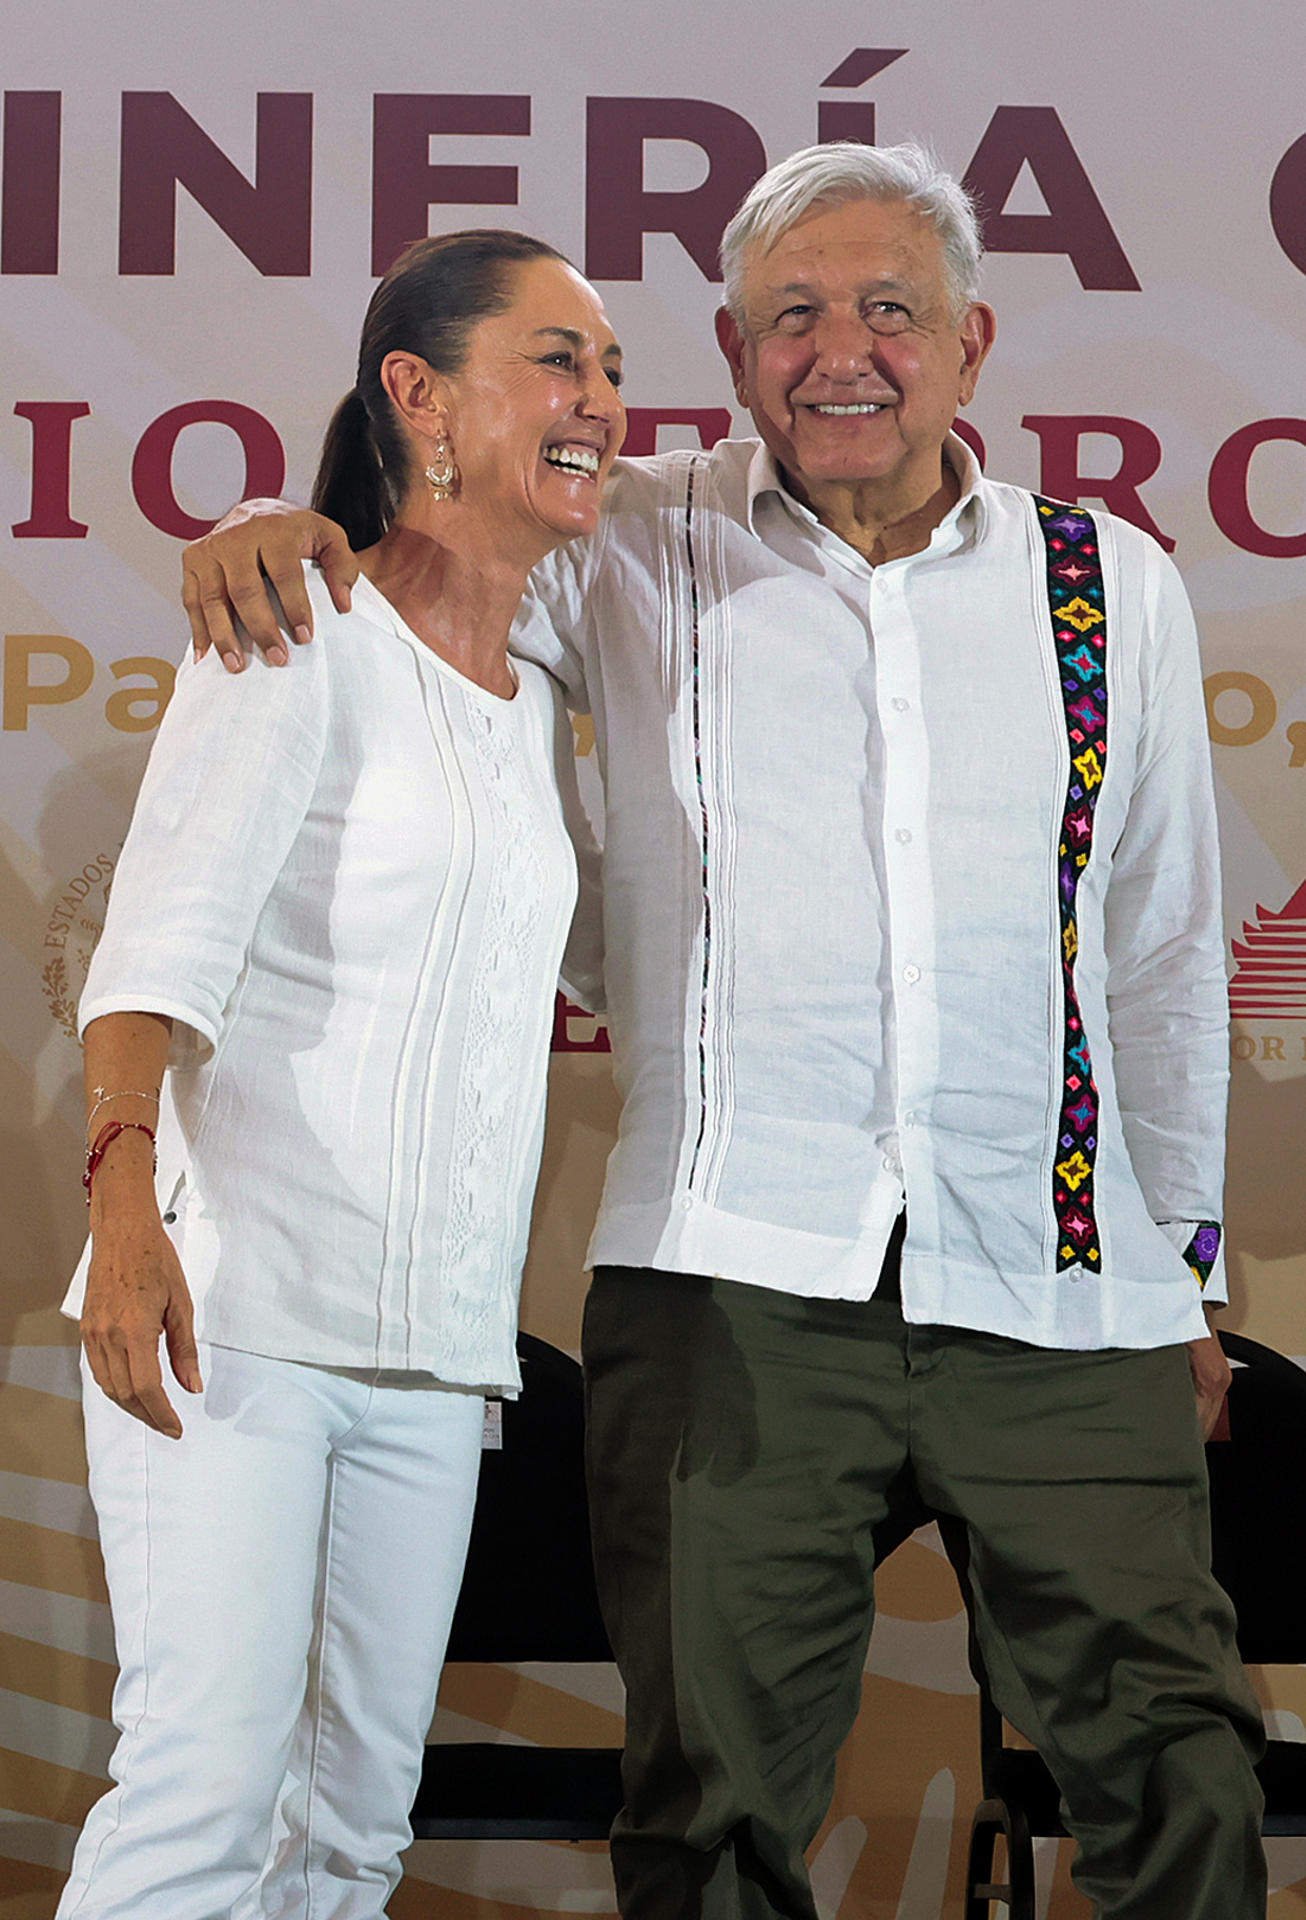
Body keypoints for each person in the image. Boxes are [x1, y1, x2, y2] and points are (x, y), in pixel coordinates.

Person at [181, 145, 1266, 1920]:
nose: (841, 352)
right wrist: (283, 528)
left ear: (972, 348)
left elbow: (1151, 953)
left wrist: (1191, 1268)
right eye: (792, 316)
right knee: (712, 1816)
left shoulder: (1107, 584)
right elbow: (411, 595)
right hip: (723, 1284)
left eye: (889, 311)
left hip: (1064, 1290)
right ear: (733, 347)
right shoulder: (625, 537)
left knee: (1178, 1781)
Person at [58, 228, 625, 1920]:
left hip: (434, 1362)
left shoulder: (531, 701)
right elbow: (156, 948)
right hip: (230, 1322)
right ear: (417, 396)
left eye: (608, 363)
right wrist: (127, 1210)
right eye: (558, 359)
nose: (599, 398)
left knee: (353, 1838)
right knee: (200, 1802)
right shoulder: (297, 627)